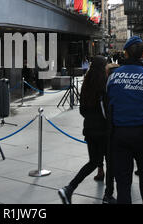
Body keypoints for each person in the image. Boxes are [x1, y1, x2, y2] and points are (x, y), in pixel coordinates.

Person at [106, 36, 143, 204]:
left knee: (123, 182)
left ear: (126, 54)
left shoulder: (112, 77)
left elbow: (107, 101)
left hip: (119, 135)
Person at [58, 56, 116, 205]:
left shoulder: (86, 85)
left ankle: (69, 188)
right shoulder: (104, 85)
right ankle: (108, 195)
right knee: (110, 162)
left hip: (89, 130)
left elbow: (82, 110)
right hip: (104, 130)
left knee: (93, 162)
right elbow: (107, 111)